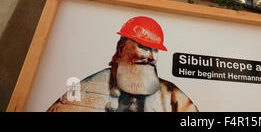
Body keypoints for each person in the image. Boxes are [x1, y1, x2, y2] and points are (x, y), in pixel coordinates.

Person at [47, 16, 198, 112]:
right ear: (121, 49)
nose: (152, 57)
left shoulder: (172, 94)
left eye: (156, 51)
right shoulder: (89, 88)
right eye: (144, 48)